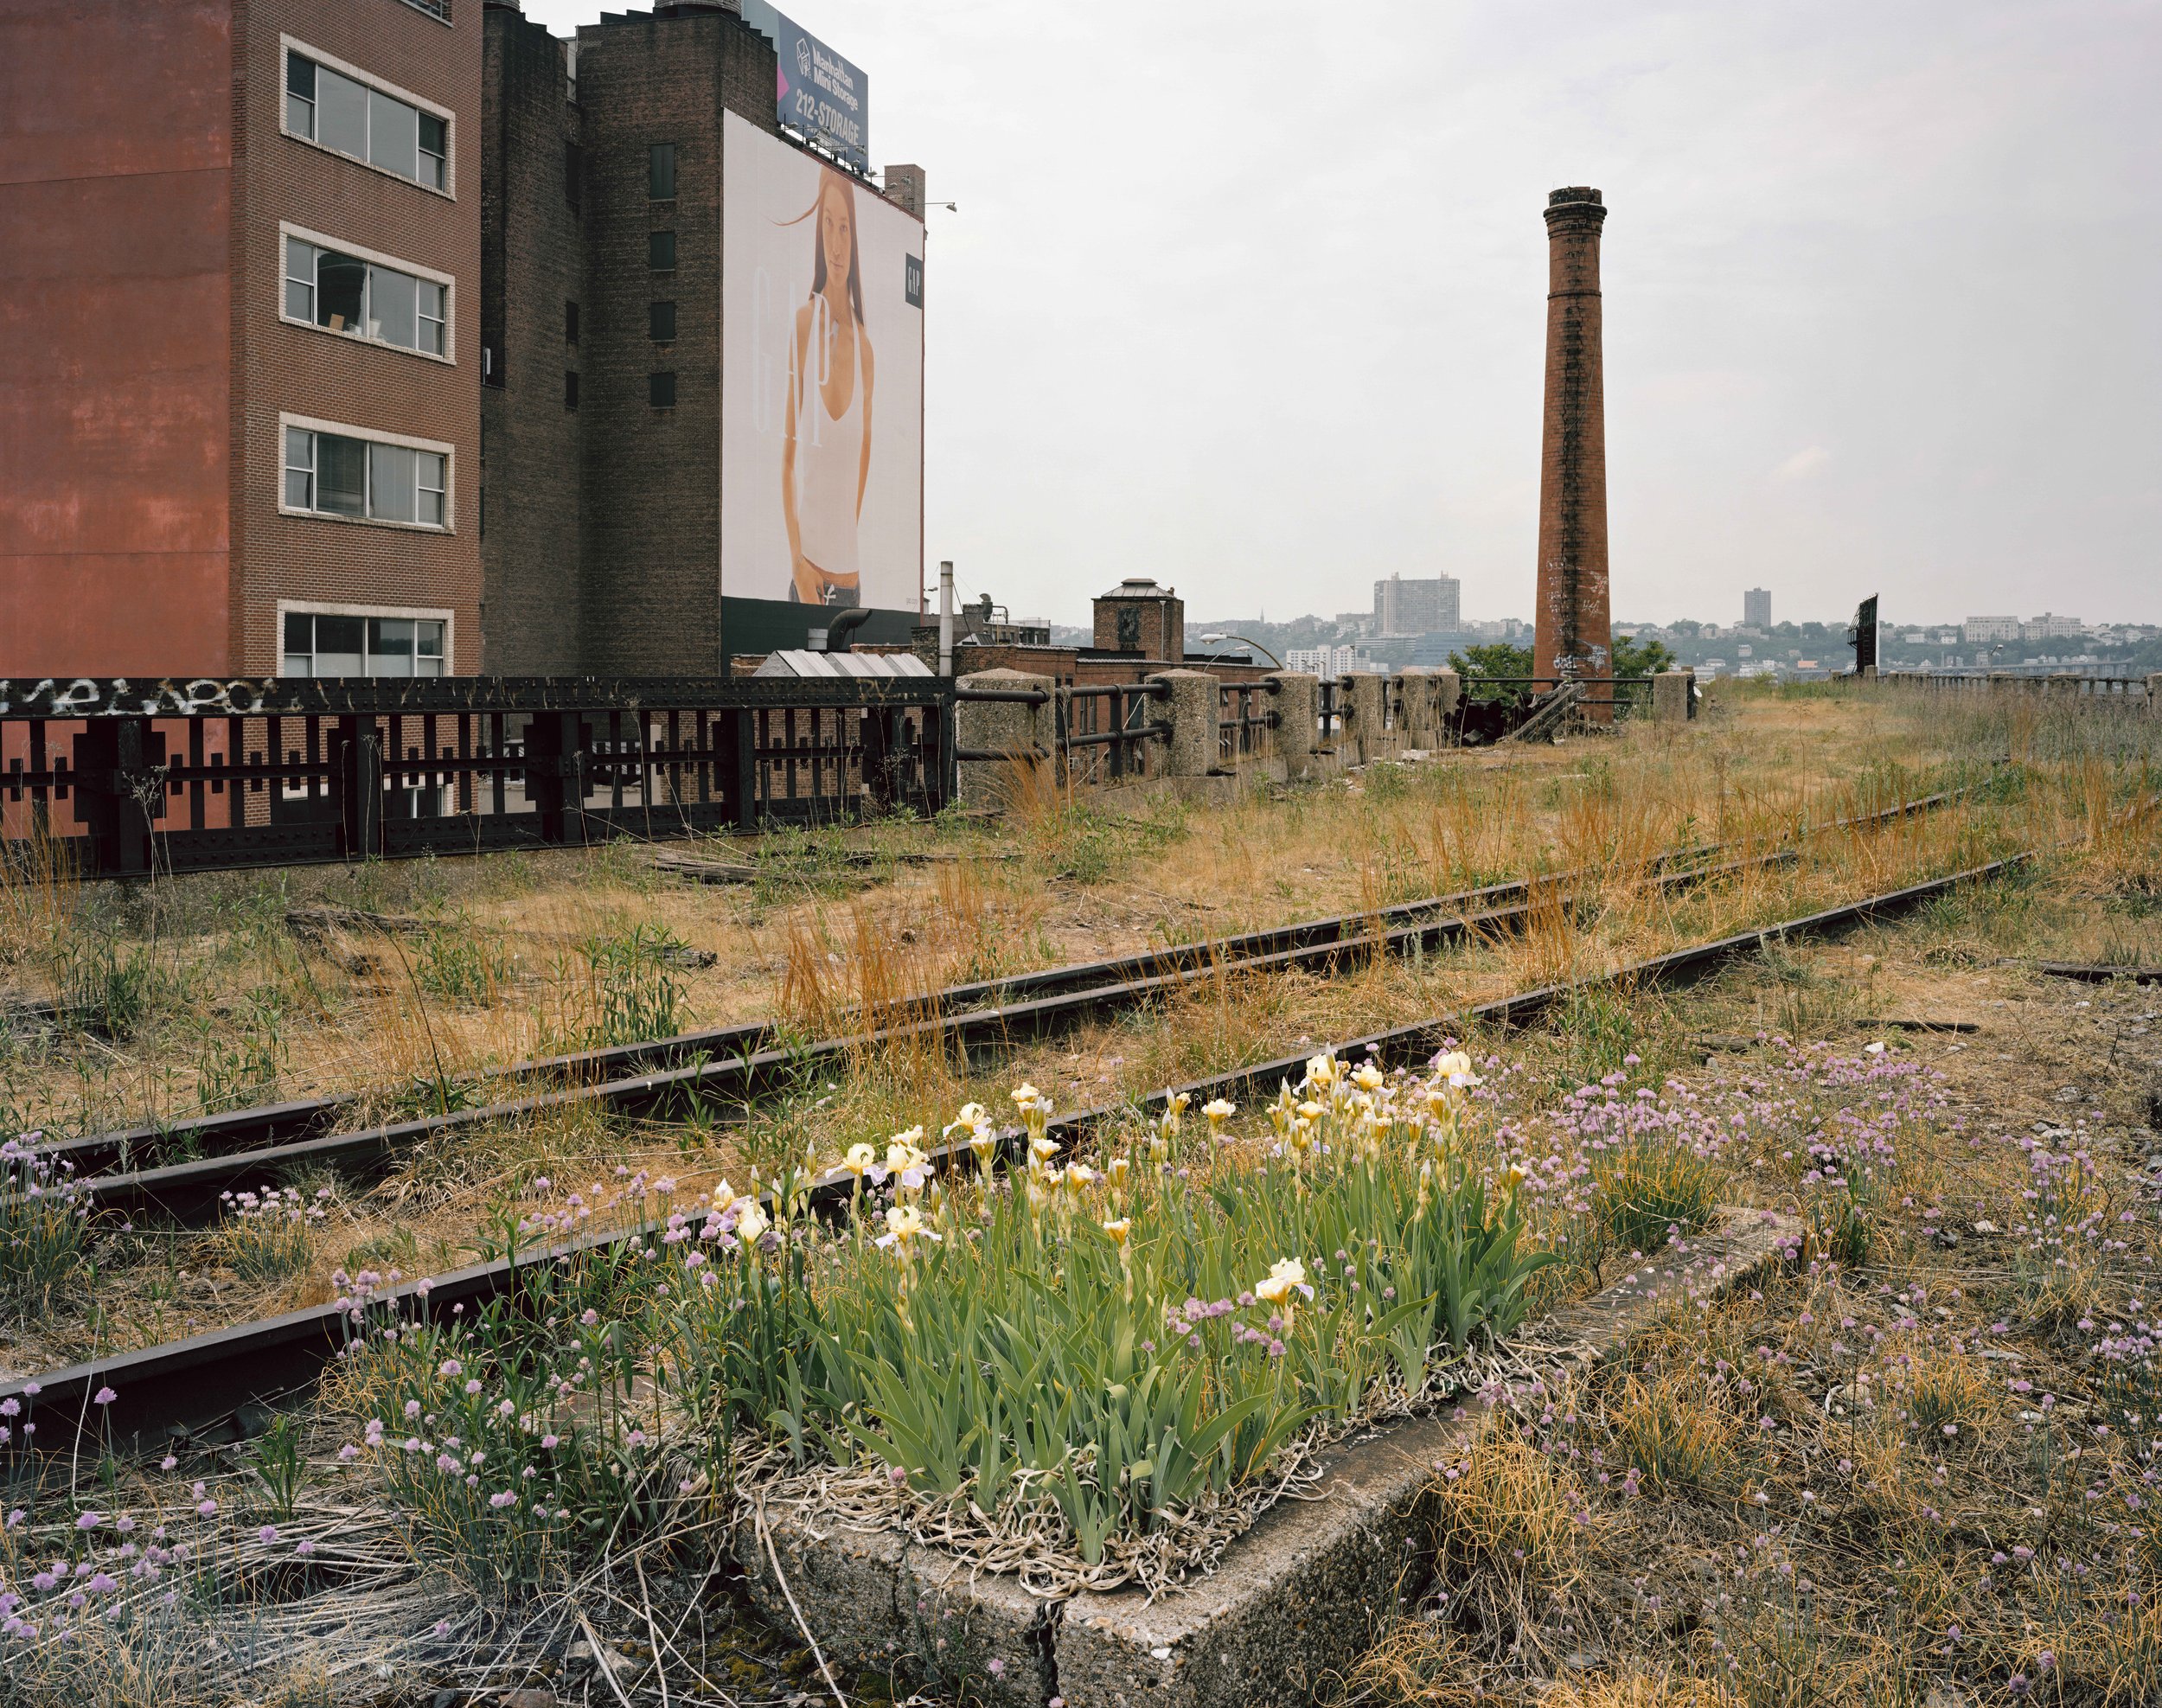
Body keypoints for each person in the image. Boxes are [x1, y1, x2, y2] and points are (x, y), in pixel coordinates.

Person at [781, 170, 875, 605]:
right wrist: (799, 562)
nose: (836, 244)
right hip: (808, 582)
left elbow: (860, 468)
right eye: (828, 225)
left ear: (854, 237)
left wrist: (842, 542)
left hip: (851, 588)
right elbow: (786, 463)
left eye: (845, 227)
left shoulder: (866, 350)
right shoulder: (803, 325)